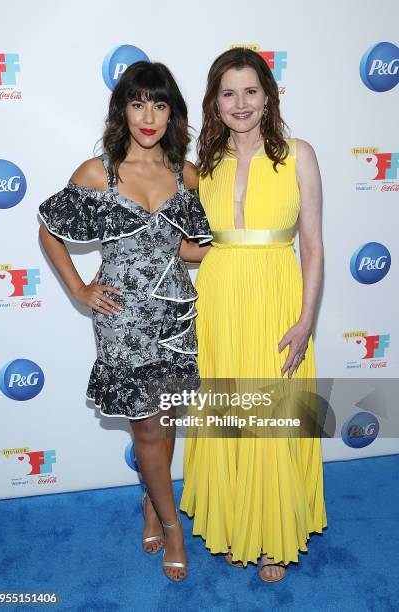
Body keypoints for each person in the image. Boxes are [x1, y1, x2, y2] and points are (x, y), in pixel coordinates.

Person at [38, 61, 212, 582]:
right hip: (123, 319)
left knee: (168, 421)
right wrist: (79, 288)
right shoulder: (101, 172)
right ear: (123, 110)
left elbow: (186, 247)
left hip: (176, 314)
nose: (149, 115)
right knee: (148, 428)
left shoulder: (187, 174)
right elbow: (51, 231)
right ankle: (173, 524)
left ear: (172, 112)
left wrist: (234, 249)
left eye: (159, 104)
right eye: (138, 103)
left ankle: (151, 504)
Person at [179, 48, 327, 582]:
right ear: (214, 104)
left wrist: (307, 318)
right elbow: (201, 243)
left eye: (249, 91)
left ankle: (271, 535)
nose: (239, 103)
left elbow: (311, 245)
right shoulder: (207, 166)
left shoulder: (298, 154)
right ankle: (234, 522)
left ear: (268, 96)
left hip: (276, 295)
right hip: (219, 298)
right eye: (227, 93)